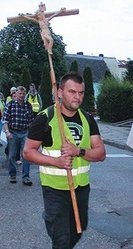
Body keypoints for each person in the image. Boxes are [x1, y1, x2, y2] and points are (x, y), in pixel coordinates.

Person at [23, 72, 106, 248]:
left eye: (81, 92)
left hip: (81, 188)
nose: (77, 97)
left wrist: (78, 151)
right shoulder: (46, 118)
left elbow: (100, 154)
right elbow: (28, 152)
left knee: (78, 231)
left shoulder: (88, 119)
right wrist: (57, 162)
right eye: (72, 92)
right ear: (59, 93)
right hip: (55, 188)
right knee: (61, 239)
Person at [2, 86, 35, 185]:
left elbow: (31, 121)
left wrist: (31, 133)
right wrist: (7, 132)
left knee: (26, 155)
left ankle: (26, 177)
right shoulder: (10, 105)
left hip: (25, 132)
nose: (21, 96)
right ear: (15, 94)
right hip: (13, 132)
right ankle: (12, 175)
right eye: (20, 94)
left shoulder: (28, 105)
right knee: (12, 155)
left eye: (23, 94)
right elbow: (5, 120)